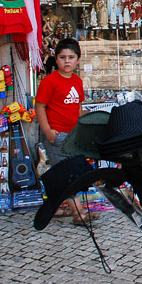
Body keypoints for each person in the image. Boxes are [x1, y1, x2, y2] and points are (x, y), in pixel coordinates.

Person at [35, 38, 93, 222]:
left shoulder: (77, 81)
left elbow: (78, 106)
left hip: (73, 136)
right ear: (56, 59)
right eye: (62, 57)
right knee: (66, 173)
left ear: (78, 59)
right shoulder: (49, 81)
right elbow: (40, 107)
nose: (67, 61)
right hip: (57, 135)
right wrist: (47, 130)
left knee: (69, 171)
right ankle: (79, 213)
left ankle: (57, 206)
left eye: (71, 57)